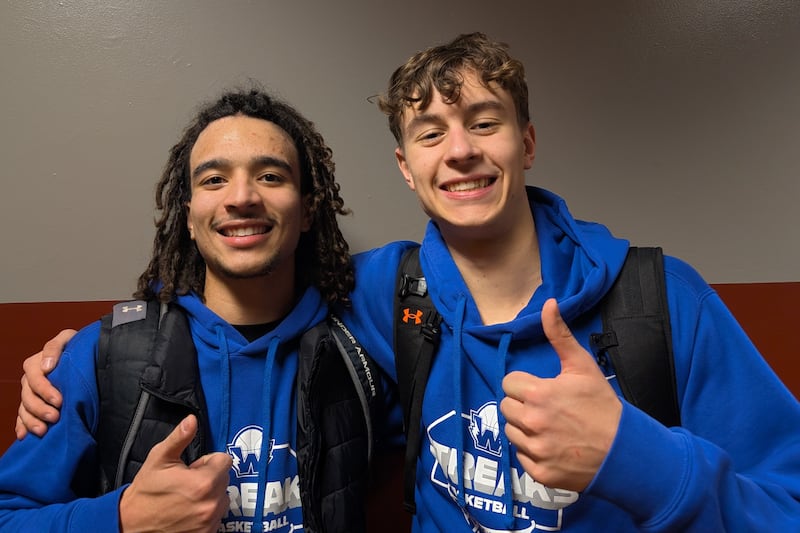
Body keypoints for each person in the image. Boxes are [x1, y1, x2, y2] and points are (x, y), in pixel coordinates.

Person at [15, 32, 800, 532]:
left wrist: (637, 453)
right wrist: (82, 361)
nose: (459, 151)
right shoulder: (380, 298)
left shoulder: (660, 302)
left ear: (526, 141)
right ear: (405, 166)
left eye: (484, 122)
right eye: (430, 132)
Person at [0, 87, 390, 532]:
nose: (241, 197)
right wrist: (122, 518)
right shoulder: (99, 358)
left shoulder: (362, 352)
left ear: (306, 210)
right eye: (214, 179)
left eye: (270, 176)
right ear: (188, 217)